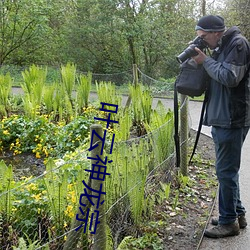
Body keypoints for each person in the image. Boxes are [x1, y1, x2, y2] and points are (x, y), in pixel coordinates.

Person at [192, 15, 250, 238]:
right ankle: (237, 214)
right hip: (222, 117)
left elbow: (229, 77)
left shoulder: (238, 44)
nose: (203, 41)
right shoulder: (221, 46)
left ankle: (228, 223)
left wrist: (205, 61)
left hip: (232, 118)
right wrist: (202, 60)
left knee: (225, 171)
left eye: (204, 37)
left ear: (216, 32)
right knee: (227, 171)